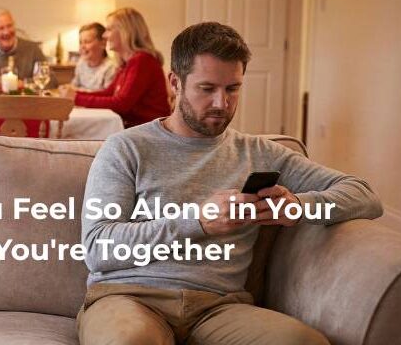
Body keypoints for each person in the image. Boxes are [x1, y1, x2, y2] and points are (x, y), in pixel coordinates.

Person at [78, 22, 383, 345]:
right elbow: (99, 249)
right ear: (175, 83)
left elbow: (365, 196)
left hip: (218, 308)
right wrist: (197, 222)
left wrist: (299, 207)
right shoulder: (126, 148)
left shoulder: (261, 153)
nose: (222, 103)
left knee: (304, 342)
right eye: (207, 89)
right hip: (128, 299)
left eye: (233, 89)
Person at [65, 8, 171, 128]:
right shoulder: (127, 63)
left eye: (109, 29)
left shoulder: (142, 61)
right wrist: (74, 95)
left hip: (151, 131)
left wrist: (76, 98)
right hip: (135, 128)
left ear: (126, 31)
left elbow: (121, 104)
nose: (104, 35)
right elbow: (108, 93)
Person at [70, 22, 117, 90]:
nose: (82, 46)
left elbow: (107, 96)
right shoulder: (81, 63)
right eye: (80, 42)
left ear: (103, 43)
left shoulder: (111, 68)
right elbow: (74, 87)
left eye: (87, 42)